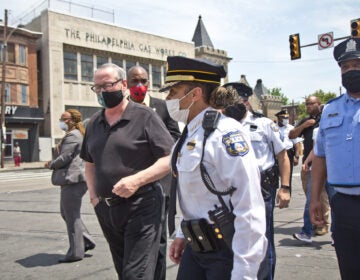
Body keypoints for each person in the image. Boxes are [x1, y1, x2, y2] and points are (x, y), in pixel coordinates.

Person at [163, 56, 267, 280]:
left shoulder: (225, 133)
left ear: (195, 94)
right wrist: (182, 232)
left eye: (173, 92)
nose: (167, 99)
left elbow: (249, 205)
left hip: (225, 251)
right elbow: (193, 194)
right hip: (196, 245)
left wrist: (244, 273)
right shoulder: (189, 133)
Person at [80, 63, 174, 279]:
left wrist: (137, 180)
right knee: (123, 270)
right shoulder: (94, 122)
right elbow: (89, 162)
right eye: (97, 87)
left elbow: (169, 158)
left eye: (107, 85)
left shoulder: (145, 116)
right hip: (107, 209)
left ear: (123, 85)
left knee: (136, 274)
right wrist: (94, 198)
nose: (102, 91)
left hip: (142, 206)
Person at [213, 82, 291, 280]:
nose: (232, 106)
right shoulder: (220, 126)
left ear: (246, 102)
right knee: (235, 238)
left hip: (262, 188)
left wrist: (285, 187)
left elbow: (282, 157)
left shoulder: (264, 124)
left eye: (236, 101)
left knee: (261, 238)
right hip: (230, 191)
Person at [310, 37, 360, 279]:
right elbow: (320, 157)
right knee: (349, 270)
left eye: (356, 65)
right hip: (343, 204)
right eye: (345, 67)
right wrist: (314, 199)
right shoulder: (330, 110)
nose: (350, 71)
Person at [127, 65, 180, 280]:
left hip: (160, 184)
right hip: (132, 184)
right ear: (127, 84)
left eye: (143, 80)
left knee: (157, 239)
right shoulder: (123, 107)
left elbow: (176, 138)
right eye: (134, 81)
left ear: (148, 83)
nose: (139, 85)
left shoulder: (163, 107)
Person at [45, 109, 95, 263]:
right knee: (67, 213)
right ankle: (85, 241)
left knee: (71, 215)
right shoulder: (76, 134)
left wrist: (50, 164)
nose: (61, 121)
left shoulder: (73, 136)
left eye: (64, 119)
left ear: (72, 120)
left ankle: (75, 252)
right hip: (73, 180)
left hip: (73, 180)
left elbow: (65, 157)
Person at [289, 96, 330, 236]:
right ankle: (315, 221)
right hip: (308, 163)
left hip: (324, 163)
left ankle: (322, 224)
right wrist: (304, 126)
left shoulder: (324, 120)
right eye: (306, 104)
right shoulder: (306, 121)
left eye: (311, 103)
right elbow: (291, 135)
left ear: (319, 104)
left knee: (321, 195)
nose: (308, 106)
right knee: (310, 195)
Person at [275, 109, 302, 192]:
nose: (286, 119)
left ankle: (287, 194)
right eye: (284, 118)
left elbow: (296, 142)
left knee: (287, 176)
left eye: (287, 118)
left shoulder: (291, 128)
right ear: (278, 118)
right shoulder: (272, 127)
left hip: (288, 152)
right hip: (276, 154)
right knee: (274, 176)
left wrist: (296, 156)